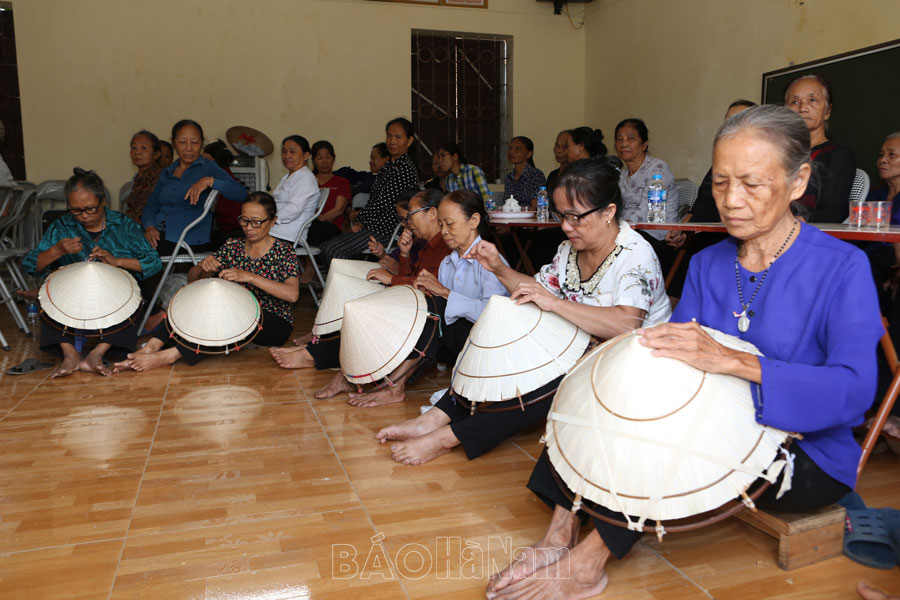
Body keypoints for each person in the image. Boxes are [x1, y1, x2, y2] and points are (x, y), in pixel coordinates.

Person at [487, 105, 883, 600]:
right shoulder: (709, 263)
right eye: (719, 184)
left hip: (799, 451)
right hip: (709, 423)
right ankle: (557, 535)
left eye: (752, 184)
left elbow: (855, 392)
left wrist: (735, 361)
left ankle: (591, 561)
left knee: (661, 438)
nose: (731, 201)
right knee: (611, 396)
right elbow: (668, 364)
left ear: (798, 181)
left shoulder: (841, 267)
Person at [378, 158, 671, 466]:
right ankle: (438, 417)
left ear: (609, 212)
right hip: (577, 341)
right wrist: (497, 267)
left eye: (575, 217)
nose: (566, 226)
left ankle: (451, 436)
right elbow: (536, 287)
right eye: (561, 216)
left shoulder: (634, 254)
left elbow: (627, 323)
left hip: (627, 358)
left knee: (549, 377)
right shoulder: (569, 250)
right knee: (502, 323)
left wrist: (555, 304)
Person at [270, 189, 452, 390]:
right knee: (342, 273)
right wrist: (403, 254)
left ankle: (315, 352)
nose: (407, 222)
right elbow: (415, 278)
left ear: (432, 213)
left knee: (364, 311)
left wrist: (392, 276)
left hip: (425, 311)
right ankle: (317, 341)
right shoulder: (425, 244)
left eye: (410, 215)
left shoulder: (444, 245)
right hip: (412, 297)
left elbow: (424, 287)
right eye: (405, 217)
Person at [115, 193, 299, 372]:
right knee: (189, 302)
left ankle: (171, 354)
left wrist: (249, 277)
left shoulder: (284, 252)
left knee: (224, 316)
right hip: (230, 314)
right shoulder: (232, 246)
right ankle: (152, 347)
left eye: (257, 222)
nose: (249, 227)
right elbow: (194, 282)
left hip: (272, 322)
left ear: (273, 221)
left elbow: (292, 294)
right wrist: (203, 267)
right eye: (244, 220)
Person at [23, 168, 162, 378]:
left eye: (90, 209)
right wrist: (57, 251)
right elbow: (30, 265)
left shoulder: (123, 225)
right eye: (76, 210)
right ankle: (70, 355)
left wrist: (117, 261)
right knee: (48, 291)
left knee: (134, 296)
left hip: (114, 293)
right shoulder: (62, 226)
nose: (84, 216)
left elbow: (153, 262)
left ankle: (98, 353)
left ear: (103, 202)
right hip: (71, 294)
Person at [664, 99, 757, 296]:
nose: (730, 128)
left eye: (739, 121)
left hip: (736, 236)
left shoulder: (762, 163)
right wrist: (681, 229)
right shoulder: (720, 161)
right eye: (727, 121)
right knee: (680, 259)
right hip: (705, 233)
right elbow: (700, 204)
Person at [142, 119, 248, 255]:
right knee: (124, 239)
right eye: (182, 142)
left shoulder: (208, 167)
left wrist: (209, 181)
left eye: (194, 142)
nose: (189, 148)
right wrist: (149, 227)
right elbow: (151, 206)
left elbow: (241, 194)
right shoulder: (167, 172)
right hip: (158, 234)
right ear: (173, 142)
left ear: (202, 143)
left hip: (187, 239)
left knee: (135, 251)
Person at [320, 118, 419, 262]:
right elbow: (374, 200)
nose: (392, 141)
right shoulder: (389, 166)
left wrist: (359, 220)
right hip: (373, 226)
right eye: (389, 136)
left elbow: (382, 203)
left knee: (332, 251)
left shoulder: (403, 168)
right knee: (325, 247)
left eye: (398, 137)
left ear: (409, 141)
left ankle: (353, 284)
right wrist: (361, 222)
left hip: (387, 229)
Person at [784, 74, 856, 223]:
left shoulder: (838, 156)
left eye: (812, 100)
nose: (803, 108)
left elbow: (832, 212)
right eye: (795, 101)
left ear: (827, 111)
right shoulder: (778, 156)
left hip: (805, 237)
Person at [615, 117, 679, 274]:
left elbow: (646, 213)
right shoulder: (622, 175)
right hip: (628, 234)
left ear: (644, 144)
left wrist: (615, 230)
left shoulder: (657, 169)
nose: (624, 144)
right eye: (619, 139)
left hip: (657, 238)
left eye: (631, 139)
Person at [309, 140, 351, 245]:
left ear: (333, 158)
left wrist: (318, 220)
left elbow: (338, 210)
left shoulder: (342, 182)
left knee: (312, 229)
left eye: (328, 157)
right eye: (319, 158)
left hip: (331, 228)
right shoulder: (308, 181)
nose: (324, 162)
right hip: (309, 226)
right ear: (313, 160)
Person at [123, 130, 163, 223]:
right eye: (134, 148)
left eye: (143, 148)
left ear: (156, 154)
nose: (137, 152)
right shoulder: (138, 177)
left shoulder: (159, 177)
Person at [440, 142, 492, 207]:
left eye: (443, 156)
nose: (440, 160)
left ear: (455, 157)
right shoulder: (448, 179)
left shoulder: (473, 171)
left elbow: (486, 197)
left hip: (478, 214)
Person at [503, 136, 546, 208]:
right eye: (510, 148)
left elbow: (536, 207)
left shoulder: (536, 175)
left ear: (529, 154)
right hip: (511, 216)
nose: (512, 152)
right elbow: (507, 203)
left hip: (531, 217)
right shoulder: (509, 177)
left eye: (517, 149)